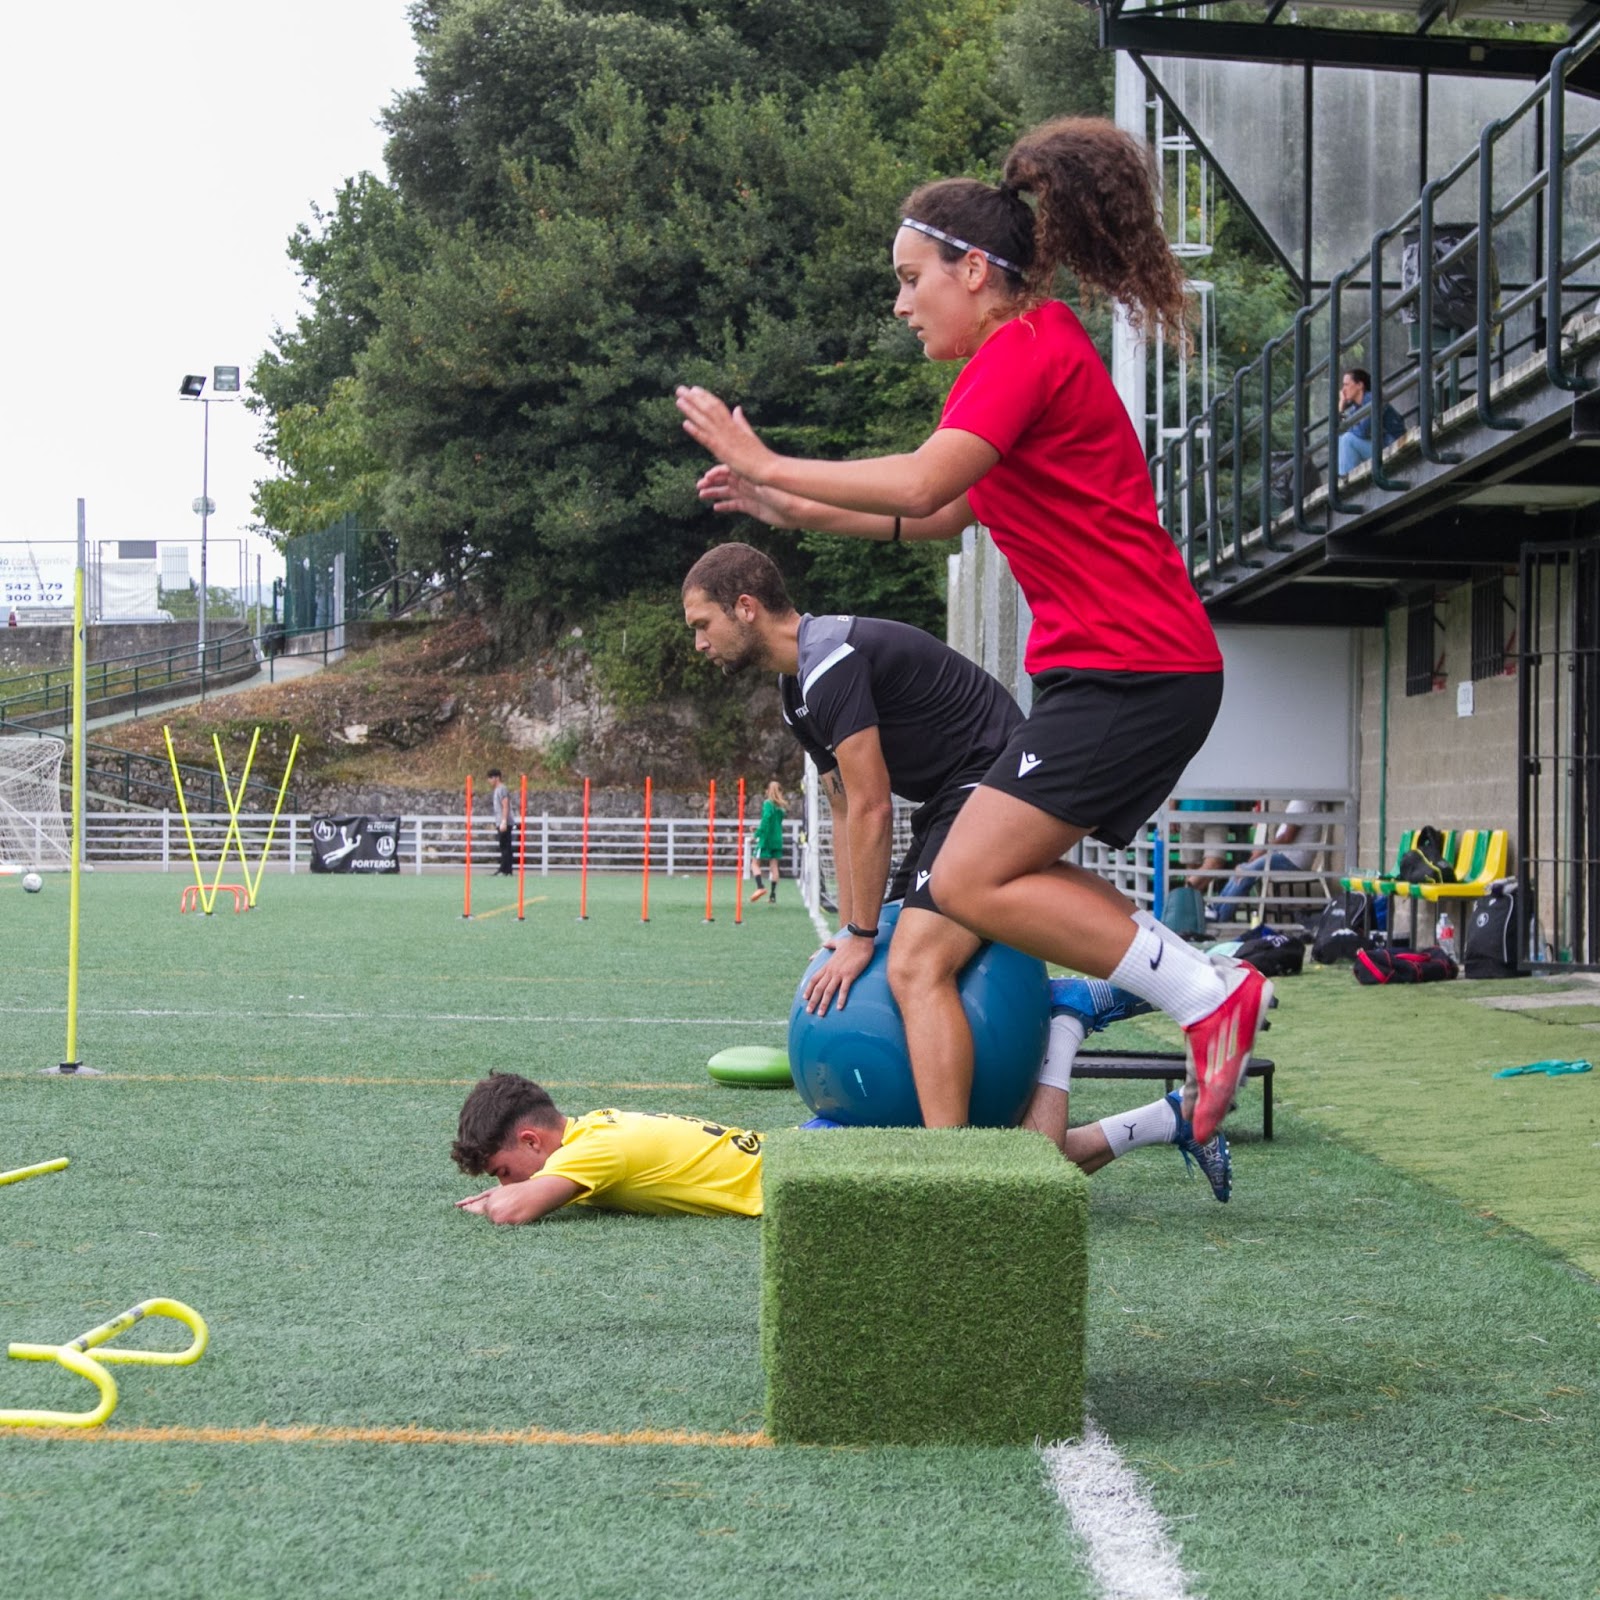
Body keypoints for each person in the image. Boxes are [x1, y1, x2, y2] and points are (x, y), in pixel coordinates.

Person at [676, 116, 1271, 1144]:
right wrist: (789, 511)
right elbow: (942, 511)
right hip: (1120, 671)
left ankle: (1206, 995)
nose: (900, 302)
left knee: (966, 875)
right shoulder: (1019, 356)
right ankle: (1189, 988)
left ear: (977, 271)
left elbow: (922, 478)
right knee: (997, 876)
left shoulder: (1025, 347)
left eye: (913, 278)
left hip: (1137, 666)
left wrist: (769, 460)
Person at [680, 543, 1231, 1198]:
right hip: (950, 800)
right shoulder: (796, 691)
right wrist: (850, 924)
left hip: (994, 779)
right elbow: (842, 803)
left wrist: (864, 937)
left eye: (701, 624)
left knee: (915, 963)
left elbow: (875, 806)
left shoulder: (829, 660)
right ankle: (1149, 990)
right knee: (919, 936)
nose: (699, 644)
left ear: (745, 607)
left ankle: (954, 1176)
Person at [452, 1072, 763, 1224]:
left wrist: (492, 1202)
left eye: (503, 1172)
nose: (506, 1184)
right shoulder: (594, 1126)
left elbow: (511, 1210)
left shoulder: (593, 1151)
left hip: (780, 1186)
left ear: (531, 1140)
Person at [1209, 799, 1323, 921]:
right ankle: (1215, 910)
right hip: (1285, 856)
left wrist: (1263, 850)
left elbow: (1287, 837)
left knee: (1245, 872)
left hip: (1292, 860)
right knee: (1242, 869)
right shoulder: (1298, 801)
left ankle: (1219, 918)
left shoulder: (1303, 802)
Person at [1336, 367, 1405, 477]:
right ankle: (1345, 478)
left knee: (1347, 439)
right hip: (1379, 446)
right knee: (1342, 439)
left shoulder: (1371, 398)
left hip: (1392, 444)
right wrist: (1341, 408)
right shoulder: (1355, 408)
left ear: (1360, 385)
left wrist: (1350, 427)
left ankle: (1345, 482)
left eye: (1346, 384)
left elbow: (1363, 431)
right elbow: (1341, 433)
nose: (1343, 390)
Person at [748, 780, 787, 903]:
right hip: (777, 839)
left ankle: (760, 887)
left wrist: (757, 834)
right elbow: (775, 823)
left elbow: (766, 819)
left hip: (766, 839)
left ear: (768, 791)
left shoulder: (768, 804)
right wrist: (758, 827)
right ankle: (772, 895)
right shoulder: (781, 808)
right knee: (774, 866)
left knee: (754, 863)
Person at [488, 767, 513, 876]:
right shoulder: (497, 790)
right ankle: (505, 869)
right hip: (501, 821)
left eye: (490, 778)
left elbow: (505, 805)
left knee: (505, 846)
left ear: (496, 778)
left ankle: (505, 870)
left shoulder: (502, 788)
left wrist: (504, 821)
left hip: (505, 822)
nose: (489, 781)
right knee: (504, 846)